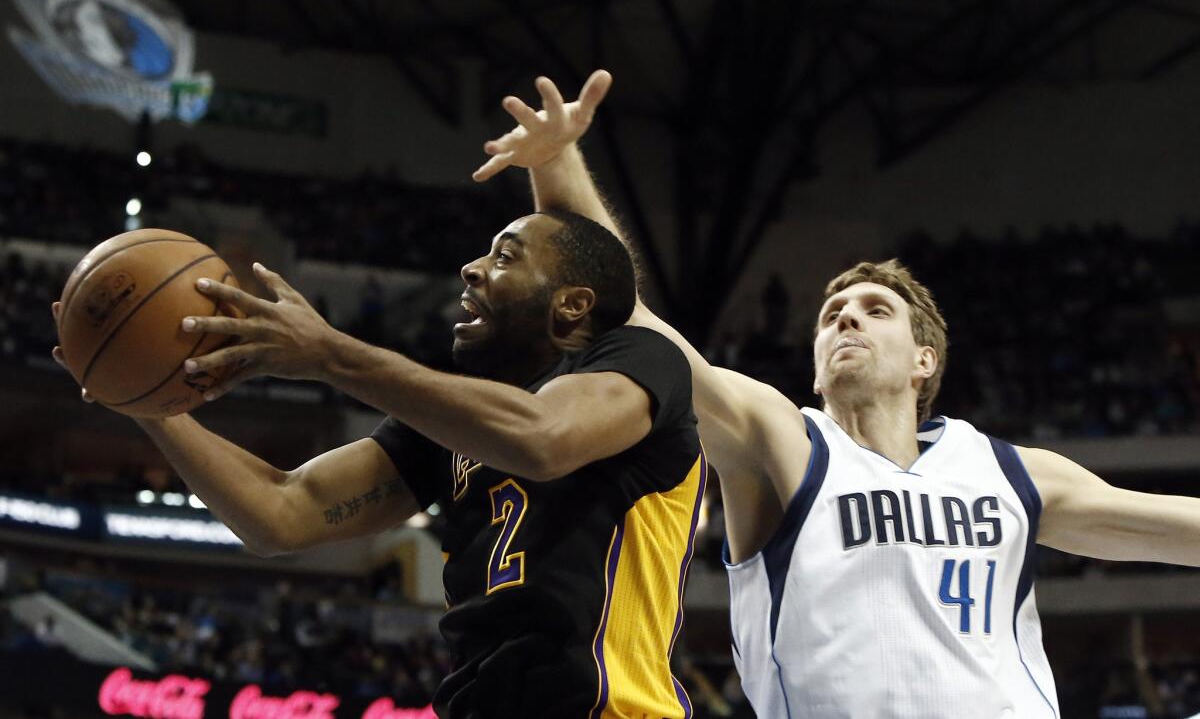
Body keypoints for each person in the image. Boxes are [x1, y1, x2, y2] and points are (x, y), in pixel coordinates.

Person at [474, 69, 1200, 718]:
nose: (847, 316)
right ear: (816, 371)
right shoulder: (784, 443)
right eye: (830, 316)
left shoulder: (1010, 473)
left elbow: (1176, 524)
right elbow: (634, 325)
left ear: (925, 359)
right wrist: (556, 163)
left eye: (874, 310)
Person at [50, 210, 705, 718]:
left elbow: (543, 438)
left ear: (573, 304)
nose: (472, 269)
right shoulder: (448, 428)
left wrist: (329, 355)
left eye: (505, 256)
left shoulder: (639, 361)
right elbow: (282, 514)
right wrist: (138, 395)